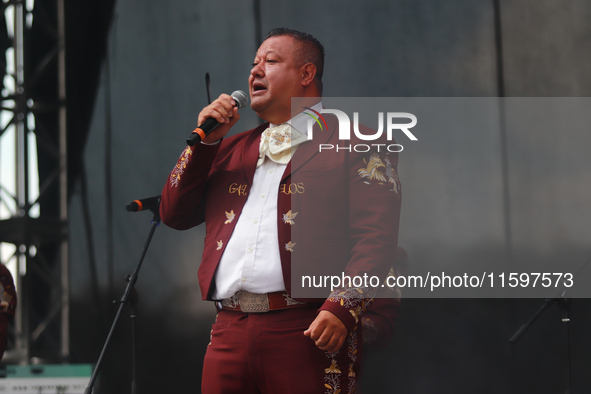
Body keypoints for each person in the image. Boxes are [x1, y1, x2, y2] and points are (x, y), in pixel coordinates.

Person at [160, 28, 401, 394]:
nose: (255, 72)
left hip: (309, 325)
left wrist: (341, 307)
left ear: (306, 74)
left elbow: (377, 238)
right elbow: (173, 213)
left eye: (270, 61)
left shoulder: (358, 141)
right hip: (229, 328)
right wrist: (205, 145)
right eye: (253, 64)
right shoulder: (230, 148)